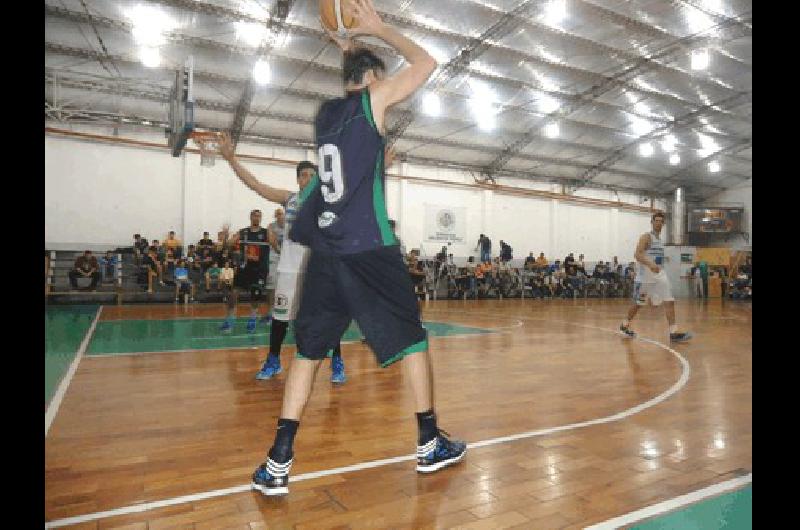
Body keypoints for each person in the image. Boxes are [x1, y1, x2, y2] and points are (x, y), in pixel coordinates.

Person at [249, 0, 466, 496]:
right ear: (373, 80)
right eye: (380, 82)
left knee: (307, 354)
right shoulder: (371, 101)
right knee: (413, 341)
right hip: (369, 249)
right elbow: (428, 64)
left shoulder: (327, 115)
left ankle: (277, 463)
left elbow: (354, 89)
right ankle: (429, 442)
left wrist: (347, 45)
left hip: (326, 254)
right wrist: (380, 28)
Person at [218, 138, 346, 383]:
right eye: (304, 175)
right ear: (298, 180)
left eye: (313, 175)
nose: (308, 179)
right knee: (280, 319)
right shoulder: (289, 200)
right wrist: (231, 159)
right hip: (288, 270)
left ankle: (337, 362)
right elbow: (256, 185)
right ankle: (274, 360)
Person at [619, 212, 692, 342]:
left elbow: (655, 257)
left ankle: (673, 333)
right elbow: (637, 255)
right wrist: (650, 263)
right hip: (645, 277)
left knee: (669, 301)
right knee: (638, 304)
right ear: (652, 222)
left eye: (660, 221)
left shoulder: (660, 241)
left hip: (659, 275)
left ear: (663, 224)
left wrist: (661, 262)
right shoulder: (646, 237)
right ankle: (624, 325)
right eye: (656, 220)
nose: (658, 223)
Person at [219, 209, 270, 334]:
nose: (256, 218)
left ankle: (252, 320)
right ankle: (230, 320)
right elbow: (228, 245)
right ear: (251, 217)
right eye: (254, 216)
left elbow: (277, 247)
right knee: (233, 294)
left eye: (259, 216)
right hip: (244, 268)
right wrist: (225, 237)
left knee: (255, 296)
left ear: (261, 218)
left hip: (259, 270)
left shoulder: (266, 233)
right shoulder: (243, 232)